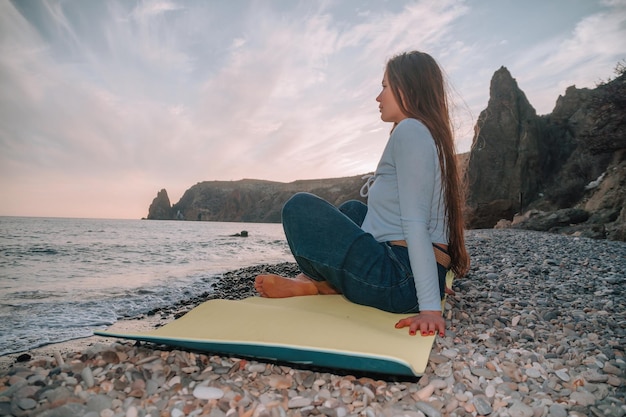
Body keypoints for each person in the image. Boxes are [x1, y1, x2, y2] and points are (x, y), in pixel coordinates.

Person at [255, 51, 470, 338]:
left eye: (384, 86)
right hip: (408, 271)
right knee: (353, 210)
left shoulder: (411, 131)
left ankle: (316, 284)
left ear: (407, 87)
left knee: (299, 207)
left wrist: (429, 307)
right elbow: (434, 222)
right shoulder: (429, 135)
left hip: (398, 281)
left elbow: (416, 222)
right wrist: (431, 275)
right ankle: (319, 283)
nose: (378, 97)